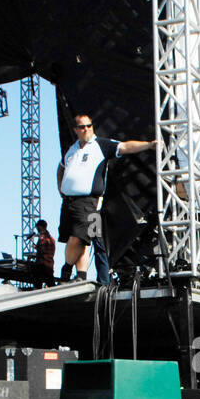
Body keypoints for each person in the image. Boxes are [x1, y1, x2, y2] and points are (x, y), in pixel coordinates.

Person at [57, 113, 155, 283]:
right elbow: (61, 168)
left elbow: (124, 147)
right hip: (69, 202)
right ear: (76, 130)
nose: (86, 129)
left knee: (79, 237)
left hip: (88, 201)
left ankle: (66, 269)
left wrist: (148, 145)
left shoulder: (100, 145)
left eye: (89, 125)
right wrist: (61, 188)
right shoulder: (72, 149)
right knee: (85, 239)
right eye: (82, 126)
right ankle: (81, 275)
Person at [31, 219, 55, 288]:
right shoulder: (50, 238)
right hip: (49, 264)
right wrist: (37, 247)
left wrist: (37, 249)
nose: (37, 229)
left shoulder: (43, 237)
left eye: (38, 227)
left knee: (38, 284)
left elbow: (42, 250)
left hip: (42, 264)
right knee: (51, 285)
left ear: (41, 227)